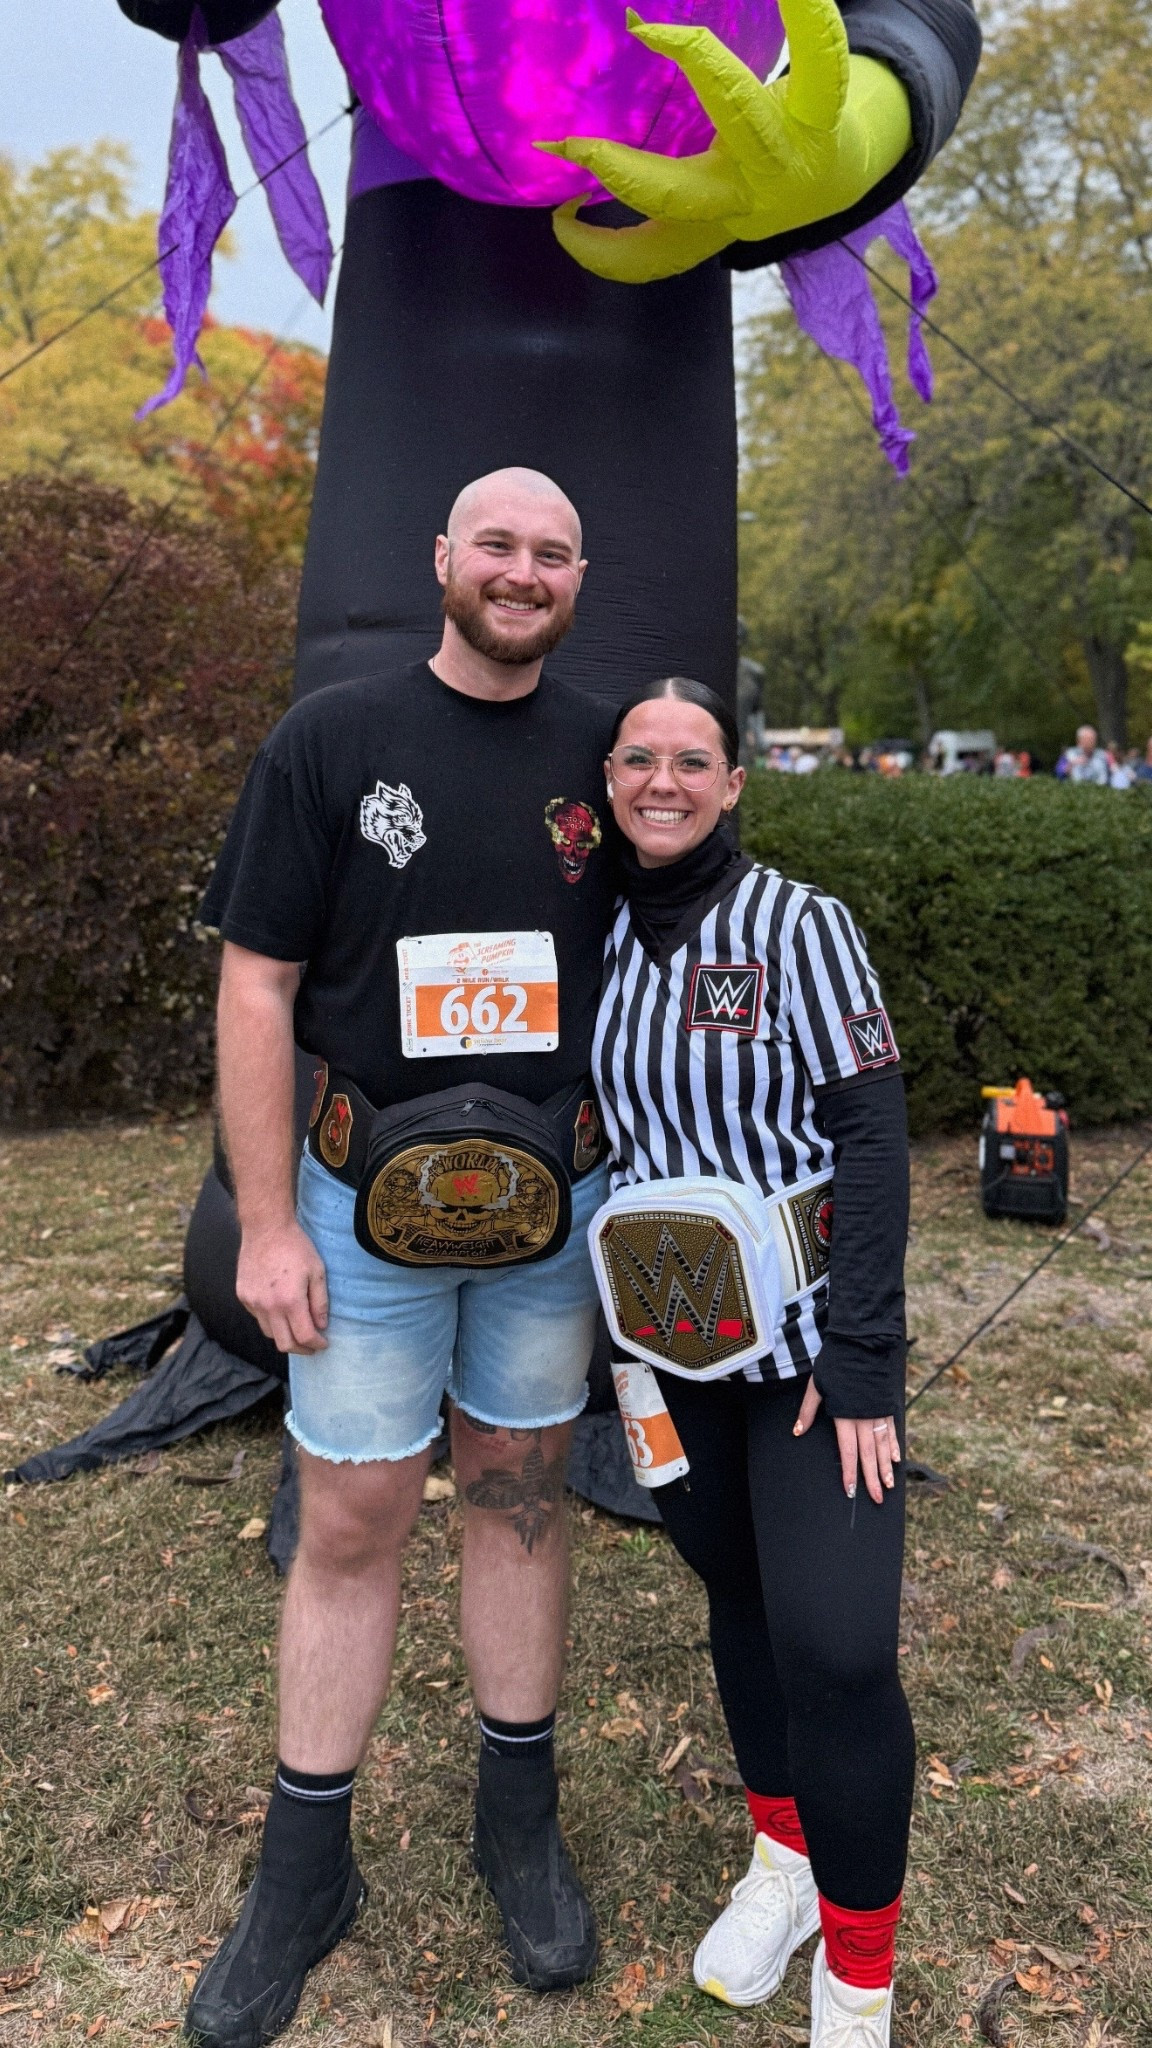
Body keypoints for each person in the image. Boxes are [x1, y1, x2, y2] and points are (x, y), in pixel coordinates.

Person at [189, 468, 619, 2046]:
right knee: (353, 1517)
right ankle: (304, 1870)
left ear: (579, 579)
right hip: (360, 1207)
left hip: (552, 1215)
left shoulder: (612, 756)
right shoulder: (330, 742)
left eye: (551, 553)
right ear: (442, 559)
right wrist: (268, 1224)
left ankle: (520, 1825)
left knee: (518, 1493)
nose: (521, 571)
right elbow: (256, 985)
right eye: (496, 544)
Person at [591, 677, 912, 2047]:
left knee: (836, 1648)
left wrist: (866, 1356)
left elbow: (877, 1138)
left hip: (804, 1358)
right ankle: (782, 1866)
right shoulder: (596, 930)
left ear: (732, 783)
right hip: (664, 1355)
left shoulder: (799, 926)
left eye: (692, 761)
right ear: (610, 781)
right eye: (638, 759)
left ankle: (859, 1980)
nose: (663, 781)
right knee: (737, 1594)